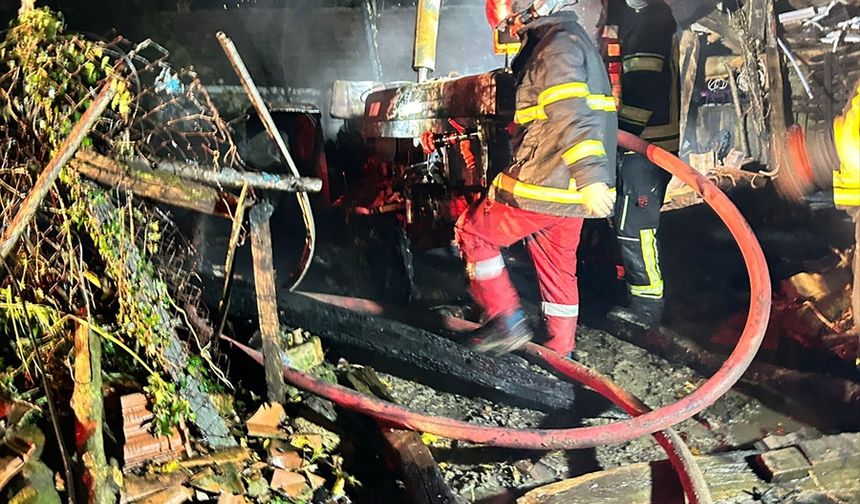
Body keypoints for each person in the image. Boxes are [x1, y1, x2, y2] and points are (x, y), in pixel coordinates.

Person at [449, 0, 617, 356]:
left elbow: (571, 113)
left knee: (473, 231)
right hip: (567, 194)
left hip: (548, 182)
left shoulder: (557, 47)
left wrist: (591, 177)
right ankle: (560, 352)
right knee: (558, 274)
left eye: (513, 19)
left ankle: (505, 321)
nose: (511, 28)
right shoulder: (570, 40)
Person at [604, 0, 679, 328]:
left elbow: (644, 92)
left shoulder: (648, 26)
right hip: (650, 145)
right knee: (632, 225)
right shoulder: (650, 23)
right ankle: (639, 298)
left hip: (647, 148)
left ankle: (646, 309)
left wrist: (617, 140)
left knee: (635, 227)